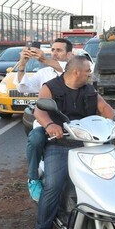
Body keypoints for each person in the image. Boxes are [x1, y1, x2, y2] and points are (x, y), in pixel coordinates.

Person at [32, 56, 115, 229]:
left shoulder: (89, 90)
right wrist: (50, 125)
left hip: (91, 143)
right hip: (61, 144)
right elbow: (40, 110)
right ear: (76, 72)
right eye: (88, 71)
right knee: (54, 185)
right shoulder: (51, 87)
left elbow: (104, 107)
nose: (90, 74)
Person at [15, 38, 73, 202]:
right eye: (53, 50)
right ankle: (33, 178)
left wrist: (43, 59)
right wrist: (22, 63)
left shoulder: (74, 69)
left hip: (73, 121)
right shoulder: (44, 73)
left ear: (69, 53)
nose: (55, 53)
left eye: (59, 50)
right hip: (47, 121)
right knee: (35, 138)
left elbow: (66, 70)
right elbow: (22, 87)